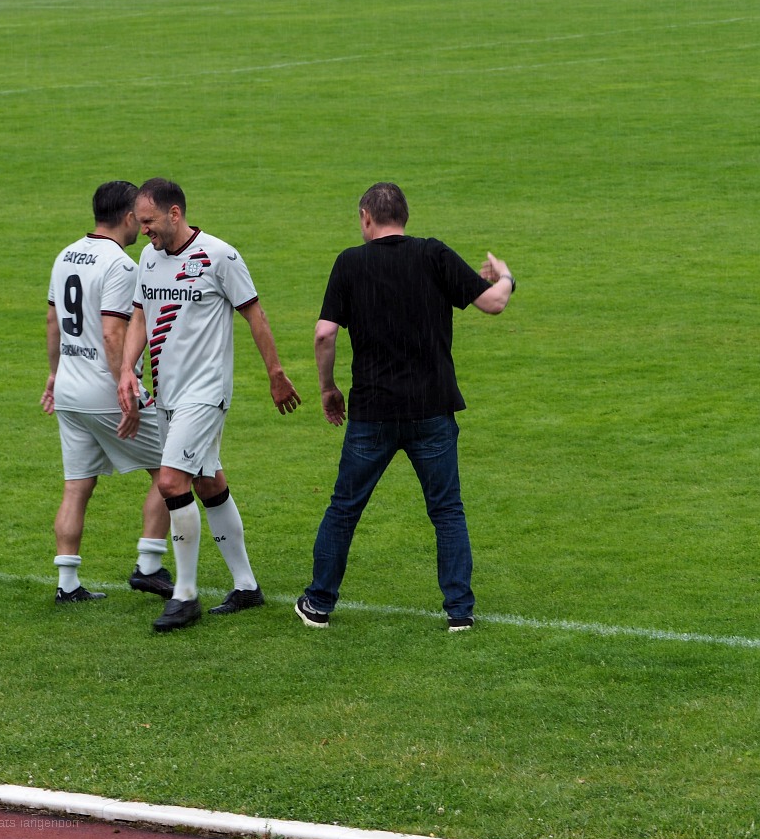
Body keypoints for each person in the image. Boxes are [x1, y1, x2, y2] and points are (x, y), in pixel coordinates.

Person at [294, 182, 514, 632]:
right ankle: (459, 610)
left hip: (372, 412)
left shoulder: (350, 263)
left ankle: (318, 603)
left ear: (366, 217)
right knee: (446, 511)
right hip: (432, 408)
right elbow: (494, 303)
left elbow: (324, 334)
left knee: (344, 508)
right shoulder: (433, 254)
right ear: (404, 217)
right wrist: (507, 276)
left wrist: (328, 388)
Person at [117, 178, 301, 632]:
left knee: (170, 481)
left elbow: (255, 315)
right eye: (140, 222)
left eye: (149, 221)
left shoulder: (220, 256)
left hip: (205, 393)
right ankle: (246, 586)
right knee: (207, 481)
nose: (144, 230)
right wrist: (126, 369)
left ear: (174, 213)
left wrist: (276, 373)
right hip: (167, 394)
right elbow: (140, 315)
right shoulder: (148, 258)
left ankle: (184, 595)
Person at [42, 180, 173, 604]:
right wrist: (126, 385)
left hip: (69, 389)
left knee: (77, 486)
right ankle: (149, 566)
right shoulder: (120, 265)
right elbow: (113, 334)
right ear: (129, 216)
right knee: (172, 467)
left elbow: (52, 322)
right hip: (105, 390)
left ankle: (67, 583)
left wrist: (54, 375)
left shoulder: (65, 255)